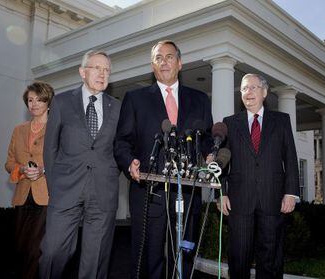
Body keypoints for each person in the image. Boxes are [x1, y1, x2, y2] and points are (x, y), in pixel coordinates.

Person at [114, 40, 213, 279]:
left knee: (184, 253)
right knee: (150, 253)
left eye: (169, 57)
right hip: (148, 189)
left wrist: (210, 156)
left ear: (179, 63)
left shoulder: (200, 99)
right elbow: (122, 141)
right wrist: (129, 162)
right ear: (152, 65)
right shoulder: (135, 98)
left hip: (188, 190)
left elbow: (208, 138)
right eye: (158, 58)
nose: (164, 62)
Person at [39, 50, 121, 279]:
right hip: (65, 190)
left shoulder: (118, 107)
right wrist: (55, 186)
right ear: (82, 72)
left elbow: (121, 147)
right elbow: (50, 148)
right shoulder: (62, 102)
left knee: (94, 262)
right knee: (53, 252)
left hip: (103, 191)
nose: (102, 74)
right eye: (97, 68)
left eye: (107, 70)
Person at [219, 73, 299, 279]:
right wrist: (222, 193)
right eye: (244, 88)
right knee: (238, 257)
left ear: (264, 92)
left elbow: (290, 157)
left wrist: (291, 193)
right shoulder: (229, 123)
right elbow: (222, 163)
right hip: (239, 201)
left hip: (273, 199)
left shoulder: (281, 121)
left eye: (254, 87)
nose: (248, 92)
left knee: (270, 259)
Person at [5, 81, 54, 279]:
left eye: (39, 100)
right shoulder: (19, 130)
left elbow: (63, 162)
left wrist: (43, 170)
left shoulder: (56, 128)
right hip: (22, 196)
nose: (33, 104)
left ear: (48, 103)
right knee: (20, 248)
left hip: (47, 198)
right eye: (30, 100)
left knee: (36, 250)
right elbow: (9, 162)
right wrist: (21, 170)